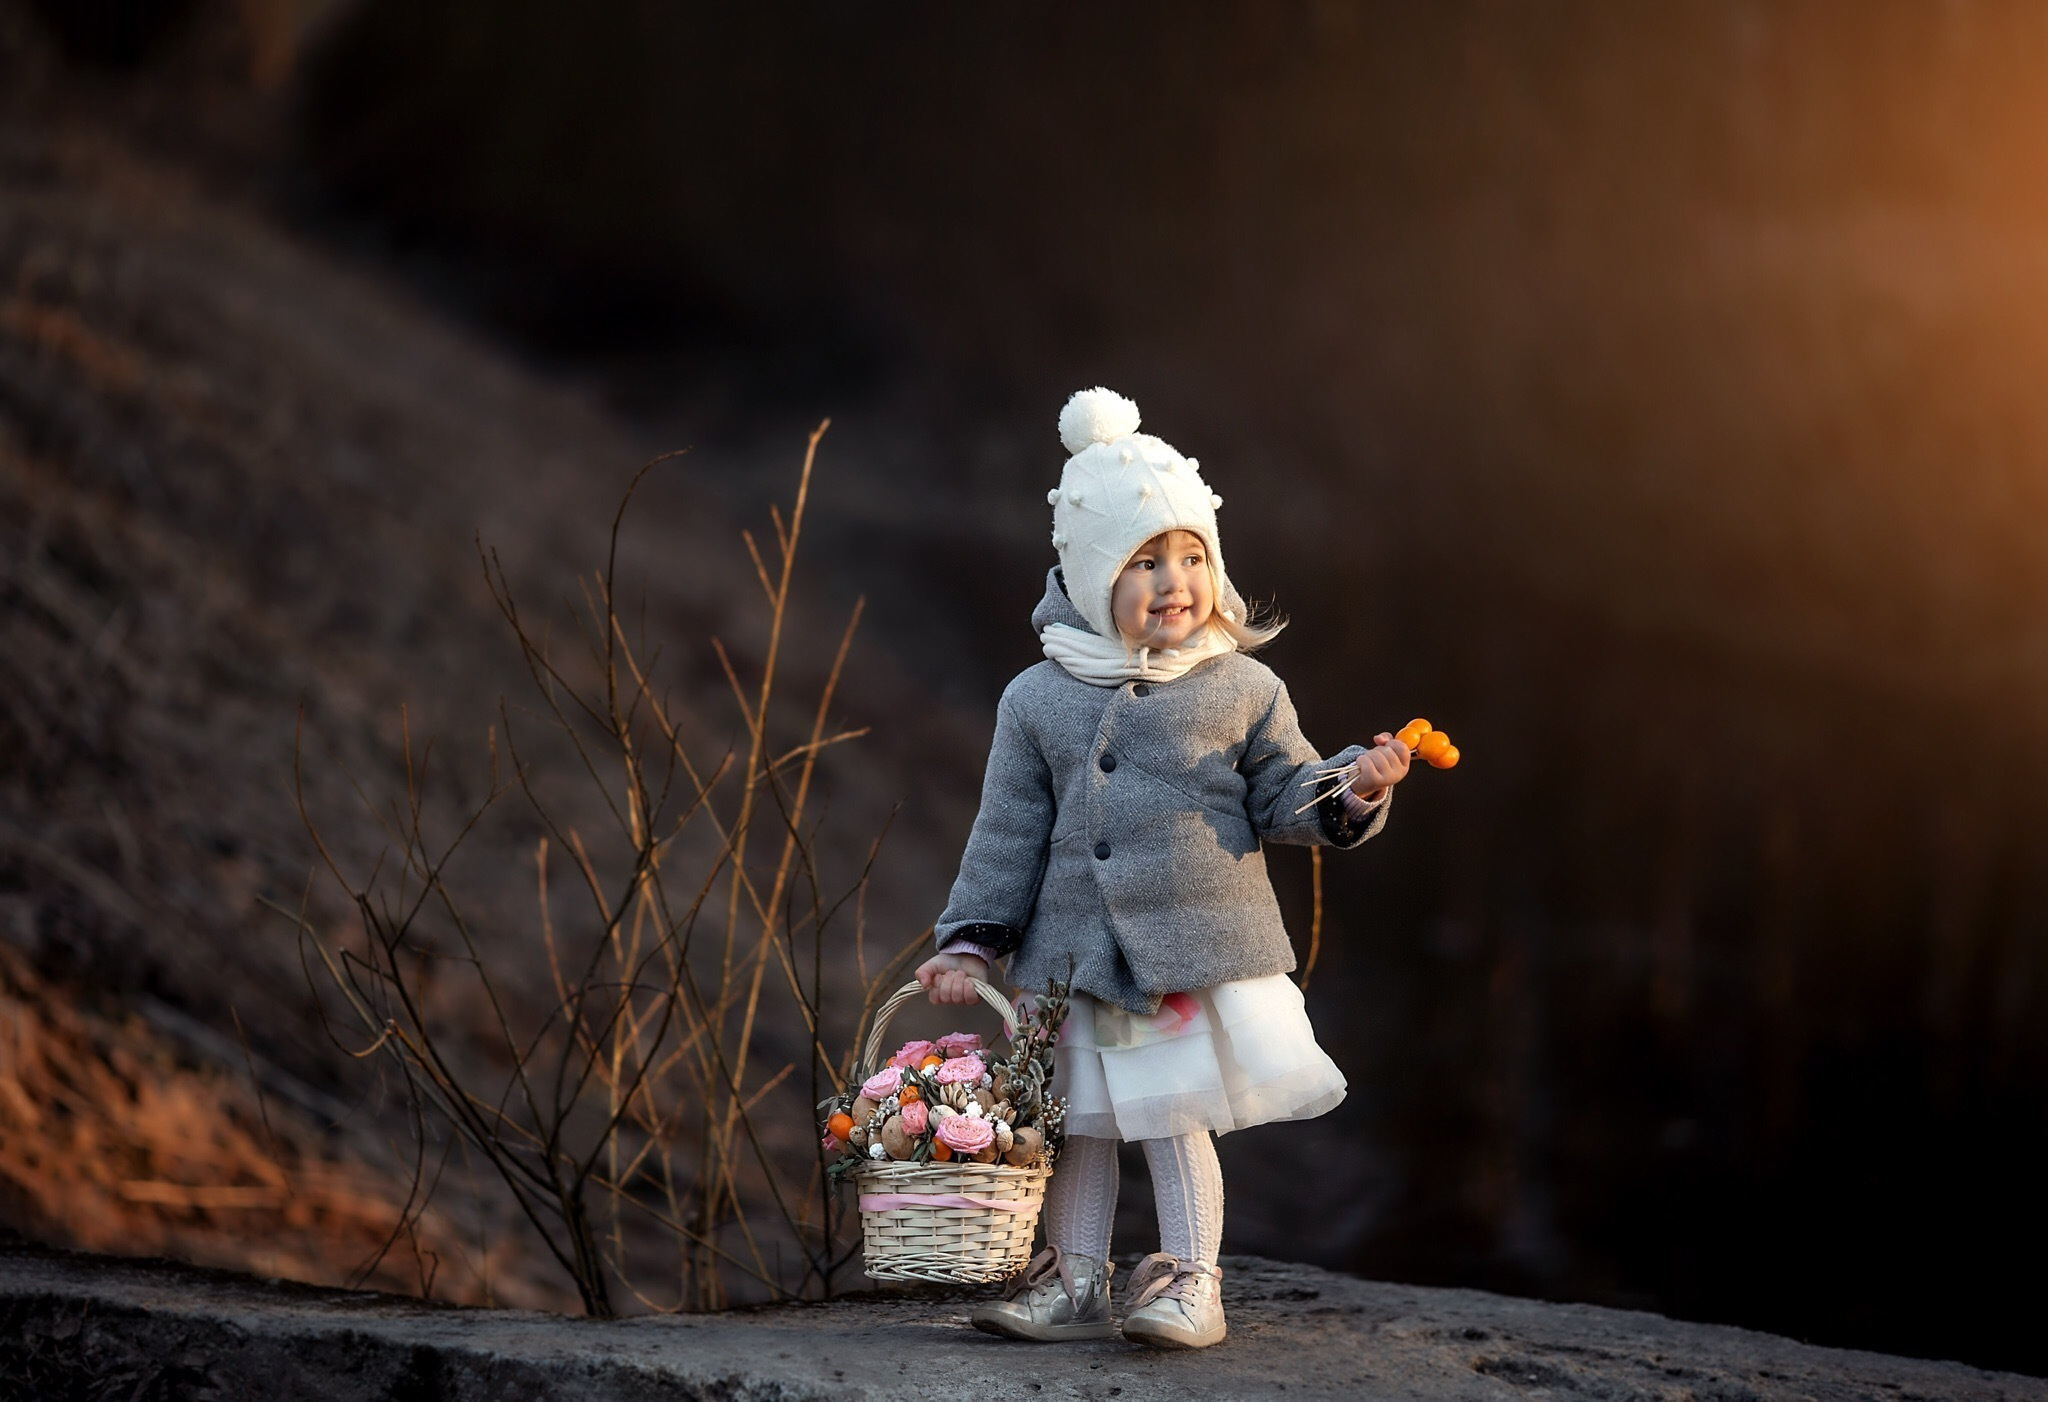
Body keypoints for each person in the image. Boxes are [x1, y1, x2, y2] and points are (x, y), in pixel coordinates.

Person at [915, 387, 1410, 1350]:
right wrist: (971, 944)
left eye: (1191, 557)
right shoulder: (1038, 698)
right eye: (1145, 561)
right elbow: (1006, 830)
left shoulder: (1243, 686)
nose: (1175, 580)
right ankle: (1078, 1279)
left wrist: (1353, 786)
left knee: (1174, 1119)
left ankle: (1191, 1279)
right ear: (1095, 575)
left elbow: (1284, 795)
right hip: (1073, 959)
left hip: (1187, 953)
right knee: (1081, 1127)